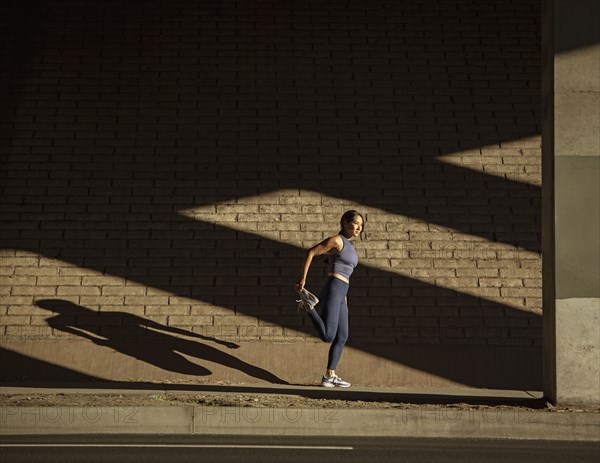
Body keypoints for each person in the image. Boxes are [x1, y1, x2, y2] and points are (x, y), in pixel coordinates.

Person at [295, 210, 364, 388]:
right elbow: (311, 252)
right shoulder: (337, 240)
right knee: (328, 336)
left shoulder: (350, 245)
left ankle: (329, 375)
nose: (359, 227)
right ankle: (309, 307)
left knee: (342, 336)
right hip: (334, 288)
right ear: (345, 223)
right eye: (356, 223)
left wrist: (345, 298)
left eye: (361, 225)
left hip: (342, 292)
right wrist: (303, 278)